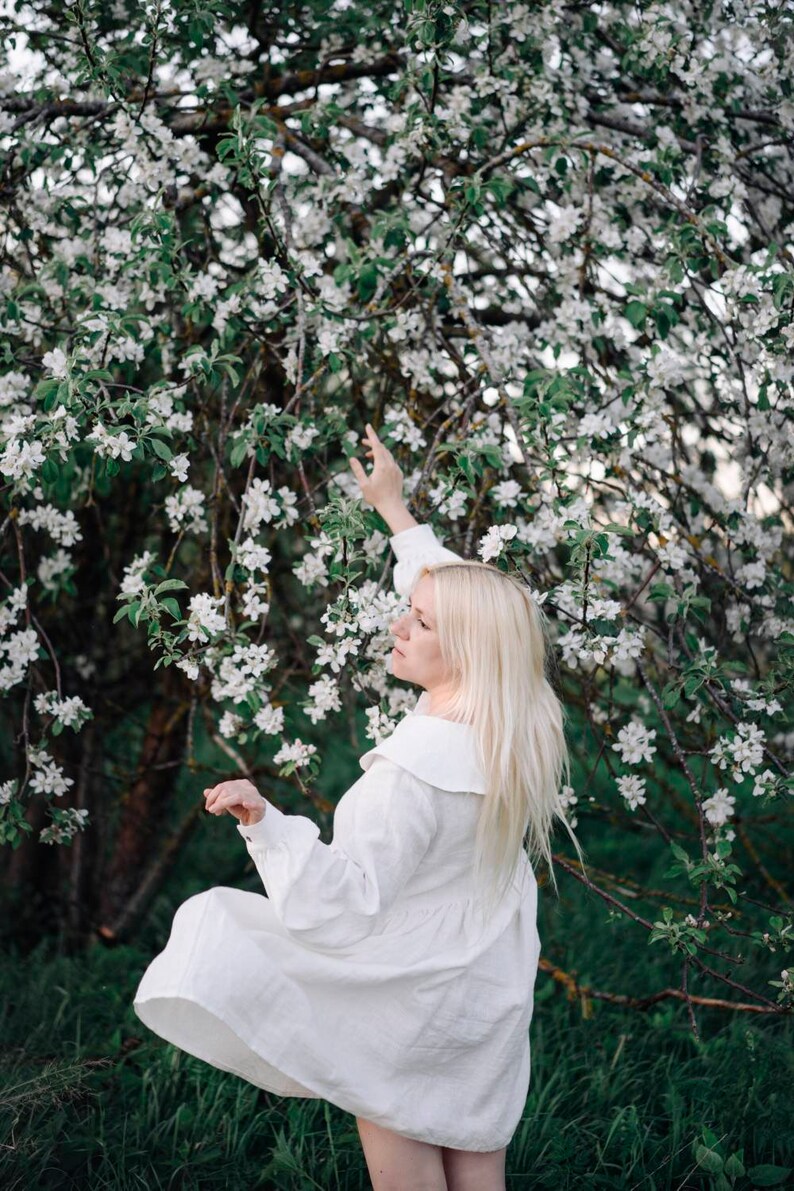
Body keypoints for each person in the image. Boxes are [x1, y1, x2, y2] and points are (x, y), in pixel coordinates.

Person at [133, 424, 584, 1191]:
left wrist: (263, 822)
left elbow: (342, 907)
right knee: (478, 1176)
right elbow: (460, 597)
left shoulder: (411, 774)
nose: (397, 624)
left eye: (420, 623)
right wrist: (395, 510)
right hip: (480, 996)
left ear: (469, 652)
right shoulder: (514, 732)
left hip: (404, 1002)